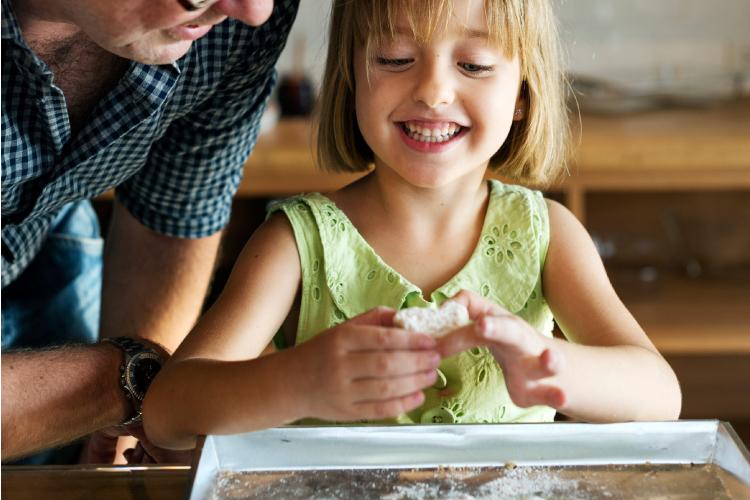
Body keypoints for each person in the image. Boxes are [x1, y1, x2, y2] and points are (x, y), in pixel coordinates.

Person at [144, 0, 682, 450]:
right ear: (351, 77)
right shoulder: (296, 242)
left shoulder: (549, 235)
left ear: (521, 94)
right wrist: (298, 383)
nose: (432, 91)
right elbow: (168, 411)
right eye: (394, 57)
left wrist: (550, 365)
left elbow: (660, 396)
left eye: (472, 64)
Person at [1, 0, 300, 464]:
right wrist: (124, 377)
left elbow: (171, 221)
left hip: (41, 255)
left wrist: (117, 449)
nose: (255, 12)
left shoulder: (238, 20)